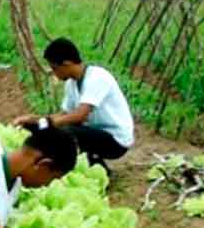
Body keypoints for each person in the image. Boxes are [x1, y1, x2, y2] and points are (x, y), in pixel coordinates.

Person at [14, 38, 133, 169]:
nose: (54, 73)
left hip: (115, 140)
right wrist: (35, 122)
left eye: (55, 68)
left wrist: (46, 124)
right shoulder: (71, 83)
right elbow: (63, 115)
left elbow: (79, 116)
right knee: (55, 130)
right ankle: (92, 163)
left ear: (67, 64)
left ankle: (78, 166)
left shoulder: (97, 77)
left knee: (66, 133)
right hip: (95, 132)